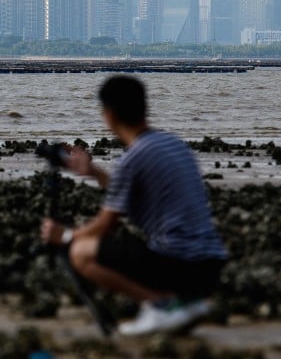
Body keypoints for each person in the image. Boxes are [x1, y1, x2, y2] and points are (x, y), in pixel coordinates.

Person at [40, 75, 228, 335]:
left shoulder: (134, 158)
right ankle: (180, 303)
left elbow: (106, 225)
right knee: (103, 244)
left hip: (182, 265)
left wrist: (65, 236)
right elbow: (137, 194)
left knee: (81, 251)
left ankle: (162, 306)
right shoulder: (172, 144)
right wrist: (93, 172)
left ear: (108, 115)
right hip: (210, 265)